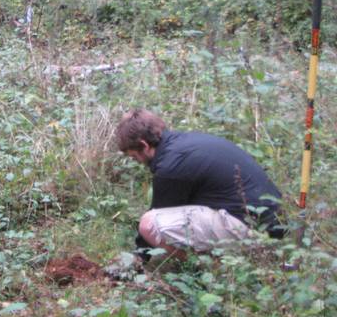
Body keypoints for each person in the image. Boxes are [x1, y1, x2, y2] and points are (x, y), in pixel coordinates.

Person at [115, 108, 284, 261]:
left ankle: (207, 270)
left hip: (254, 228)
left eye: (134, 157)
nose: (137, 162)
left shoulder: (170, 165)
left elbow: (158, 214)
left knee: (149, 224)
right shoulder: (188, 141)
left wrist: (138, 257)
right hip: (276, 220)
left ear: (144, 146)